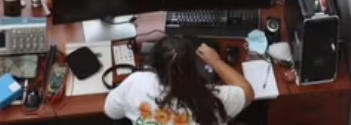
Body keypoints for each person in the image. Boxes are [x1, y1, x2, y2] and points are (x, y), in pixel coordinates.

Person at [105, 37, 254, 125]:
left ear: (152, 65)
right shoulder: (215, 99)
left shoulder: (136, 83)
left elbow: (111, 111)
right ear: (194, 66)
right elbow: (247, 92)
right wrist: (215, 61)